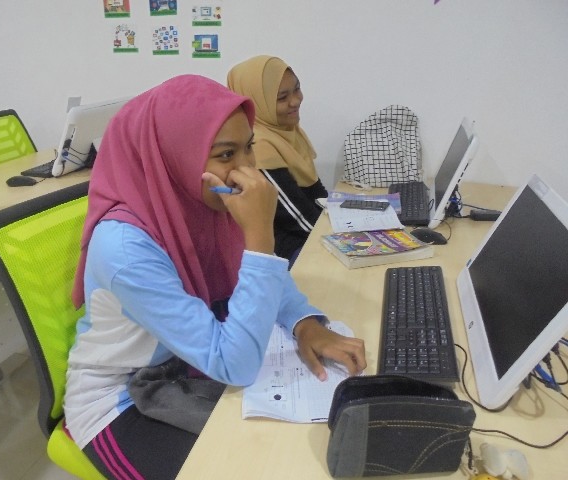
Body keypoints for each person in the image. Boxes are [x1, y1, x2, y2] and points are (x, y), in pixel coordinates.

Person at [65, 74, 366, 480]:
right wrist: (260, 236)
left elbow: (269, 284)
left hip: (191, 365)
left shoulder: (201, 202)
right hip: (121, 401)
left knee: (297, 450)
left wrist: (305, 323)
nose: (247, 169)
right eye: (226, 154)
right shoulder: (123, 247)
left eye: (249, 147)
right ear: (175, 156)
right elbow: (234, 364)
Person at [227, 55, 328, 265]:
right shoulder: (258, 144)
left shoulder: (287, 132)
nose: (296, 101)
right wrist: (343, 237)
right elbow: (298, 219)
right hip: (284, 251)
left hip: (307, 236)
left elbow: (318, 195)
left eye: (297, 89)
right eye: (282, 98)